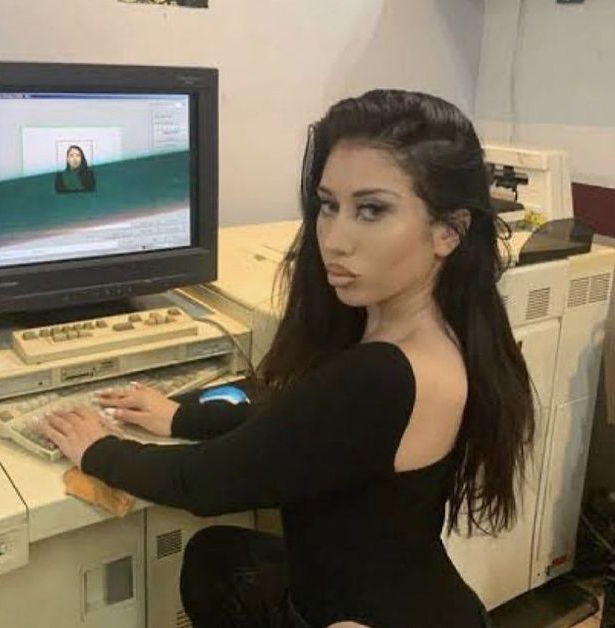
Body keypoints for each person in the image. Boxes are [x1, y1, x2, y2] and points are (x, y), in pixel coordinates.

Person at [39, 89, 534, 627]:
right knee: (217, 558)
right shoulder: (431, 328)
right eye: (328, 205)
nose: (334, 239)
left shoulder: (385, 375)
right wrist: (181, 415)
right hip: (400, 592)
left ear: (448, 231)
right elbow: (301, 423)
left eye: (372, 210)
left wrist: (98, 449)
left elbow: (201, 483)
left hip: (375, 615)